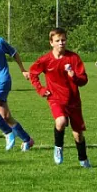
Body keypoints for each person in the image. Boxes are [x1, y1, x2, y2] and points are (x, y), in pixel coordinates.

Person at [29, 27, 91, 168]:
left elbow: (84, 80)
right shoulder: (46, 60)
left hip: (73, 100)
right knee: (61, 121)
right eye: (57, 40)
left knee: (78, 135)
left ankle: (83, 160)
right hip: (55, 98)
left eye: (63, 40)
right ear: (51, 43)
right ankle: (58, 148)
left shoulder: (74, 58)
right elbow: (33, 73)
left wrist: (74, 76)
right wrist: (41, 89)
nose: (61, 43)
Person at [0, 17, 34, 151]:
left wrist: (23, 70)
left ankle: (8, 133)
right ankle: (27, 140)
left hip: (3, 79)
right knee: (6, 117)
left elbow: (14, 53)